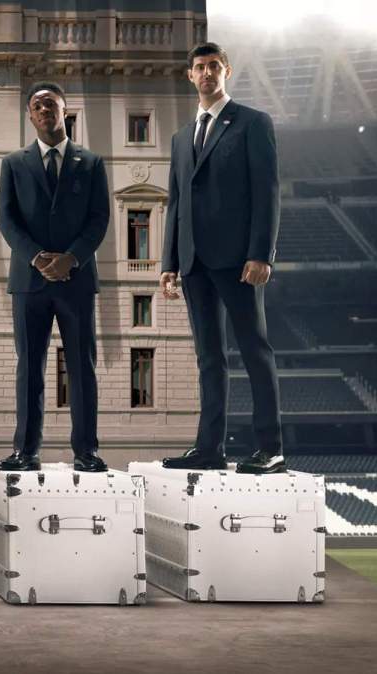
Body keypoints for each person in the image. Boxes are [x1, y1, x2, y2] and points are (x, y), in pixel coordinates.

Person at [160, 42, 284, 474]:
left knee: (254, 351)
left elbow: (266, 191)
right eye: (199, 67)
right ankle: (210, 448)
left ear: (226, 71)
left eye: (214, 65)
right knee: (209, 358)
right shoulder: (180, 137)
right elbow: (175, 203)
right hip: (194, 263)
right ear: (190, 75)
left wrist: (260, 253)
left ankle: (271, 448)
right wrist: (168, 263)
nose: (207, 72)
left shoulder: (252, 123)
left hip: (239, 260)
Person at [0, 82, 110, 473]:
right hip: (29, 281)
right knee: (29, 367)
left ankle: (86, 451)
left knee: (81, 368)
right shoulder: (12, 164)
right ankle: (25, 451)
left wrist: (72, 259)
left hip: (76, 280)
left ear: (65, 111)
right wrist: (37, 257)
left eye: (51, 104)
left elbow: (100, 220)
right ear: (30, 116)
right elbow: (6, 220)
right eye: (37, 105)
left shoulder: (92, 163)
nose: (44, 110)